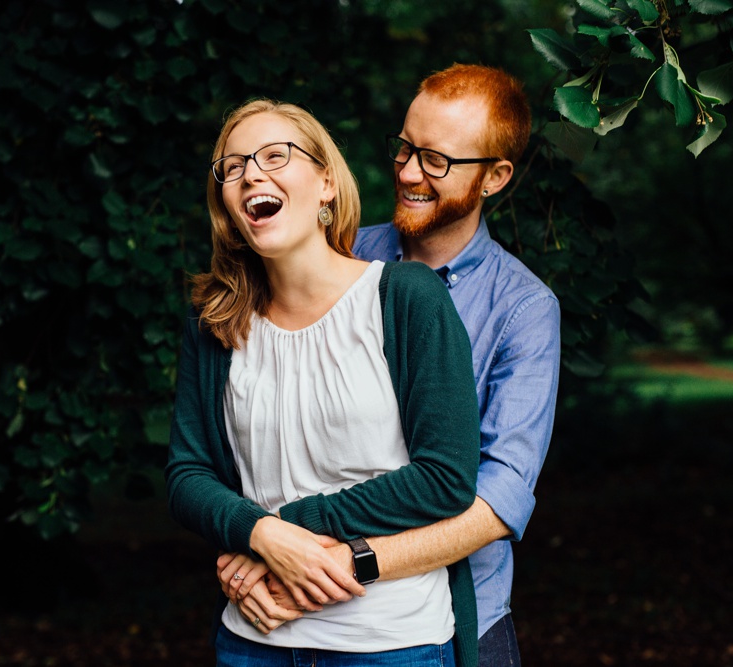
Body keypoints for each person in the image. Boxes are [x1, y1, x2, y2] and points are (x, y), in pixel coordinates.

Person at [221, 64, 561, 666]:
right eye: (404, 148)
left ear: (495, 177)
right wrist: (253, 537)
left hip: (462, 618)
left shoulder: (522, 309)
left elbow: (495, 501)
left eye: (436, 161)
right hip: (282, 617)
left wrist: (333, 563)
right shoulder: (339, 252)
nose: (406, 172)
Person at [165, 98, 484, 667]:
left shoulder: (407, 298)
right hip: (253, 640)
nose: (251, 174)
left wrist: (279, 531)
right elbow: (188, 475)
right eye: (232, 167)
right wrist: (258, 535)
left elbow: (445, 478)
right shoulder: (214, 321)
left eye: (274, 156)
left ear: (327, 184)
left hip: (390, 644)